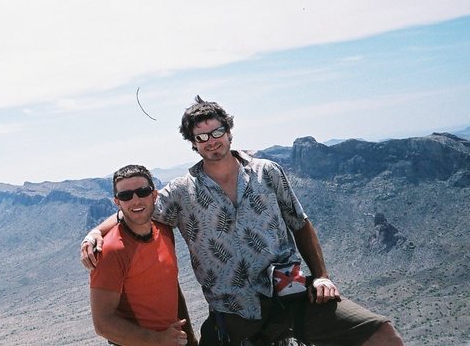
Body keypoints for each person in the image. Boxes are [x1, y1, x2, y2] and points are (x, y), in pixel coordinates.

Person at [82, 98, 404, 346]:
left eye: (217, 131)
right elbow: (140, 207)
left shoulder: (267, 172)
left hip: (289, 292)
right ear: (193, 143)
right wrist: (97, 231)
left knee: (382, 335)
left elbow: (300, 223)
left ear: (229, 131)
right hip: (234, 311)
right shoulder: (182, 191)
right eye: (202, 136)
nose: (211, 141)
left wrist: (320, 276)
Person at [89, 164, 198, 346]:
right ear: (117, 202)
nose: (136, 201)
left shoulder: (164, 230)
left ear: (154, 195)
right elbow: (103, 324)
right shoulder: (111, 251)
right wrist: (157, 340)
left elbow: (171, 287)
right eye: (125, 196)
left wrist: (190, 339)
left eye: (142, 192)